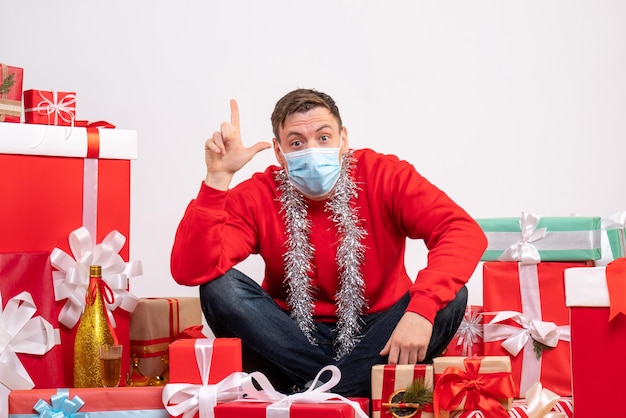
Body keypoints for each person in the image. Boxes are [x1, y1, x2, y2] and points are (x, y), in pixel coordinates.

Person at [170, 88, 487, 397]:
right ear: (279, 152)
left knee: (451, 296)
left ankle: (313, 396)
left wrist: (421, 311)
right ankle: (347, 392)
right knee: (218, 288)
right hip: (290, 339)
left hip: (379, 334)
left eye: (323, 138)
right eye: (297, 142)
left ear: (343, 140)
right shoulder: (259, 194)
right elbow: (192, 270)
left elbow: (461, 230)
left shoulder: (384, 175)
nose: (312, 150)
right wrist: (217, 179)